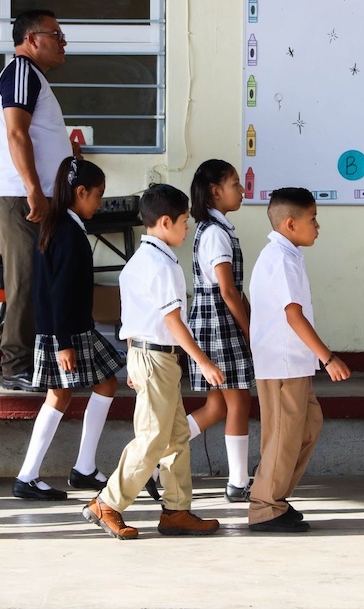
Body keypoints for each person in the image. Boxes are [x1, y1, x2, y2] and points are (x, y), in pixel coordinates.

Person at [83, 184, 224, 540]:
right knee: (153, 438)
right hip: (157, 357)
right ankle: (108, 502)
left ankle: (177, 510)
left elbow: (131, 316)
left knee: (175, 436)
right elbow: (173, 321)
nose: (187, 227)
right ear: (164, 222)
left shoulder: (143, 261)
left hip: (149, 355)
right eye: (183, 221)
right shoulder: (161, 265)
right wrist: (204, 363)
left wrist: (134, 360)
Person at [13, 157, 123, 500]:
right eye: (98, 195)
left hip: (71, 329)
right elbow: (59, 291)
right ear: (80, 192)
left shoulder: (57, 225)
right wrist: (63, 343)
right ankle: (27, 476)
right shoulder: (69, 234)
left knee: (105, 383)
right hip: (65, 333)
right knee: (59, 395)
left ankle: (85, 468)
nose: (100, 202)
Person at [248, 187, 352, 533]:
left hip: (293, 362)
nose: (318, 226)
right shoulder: (278, 258)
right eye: (313, 219)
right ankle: (265, 507)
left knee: (306, 427)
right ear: (290, 224)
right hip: (282, 363)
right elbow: (294, 315)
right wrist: (328, 357)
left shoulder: (288, 254)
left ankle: (275, 497)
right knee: (282, 436)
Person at [0, 9, 70, 392]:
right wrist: (33, 189)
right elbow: (16, 133)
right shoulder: (21, 72)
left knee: (44, 279)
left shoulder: (33, 78)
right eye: (56, 34)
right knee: (26, 279)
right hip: (25, 197)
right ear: (32, 39)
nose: (63, 42)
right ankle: (16, 367)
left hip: (42, 196)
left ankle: (38, 362)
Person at [184, 159, 255, 502]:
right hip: (218, 319)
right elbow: (228, 291)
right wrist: (249, 329)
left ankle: (153, 462)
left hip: (215, 317)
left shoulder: (216, 230)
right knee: (239, 399)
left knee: (217, 407)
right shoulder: (215, 234)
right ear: (215, 192)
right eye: (235, 184)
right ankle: (238, 482)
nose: (241, 190)